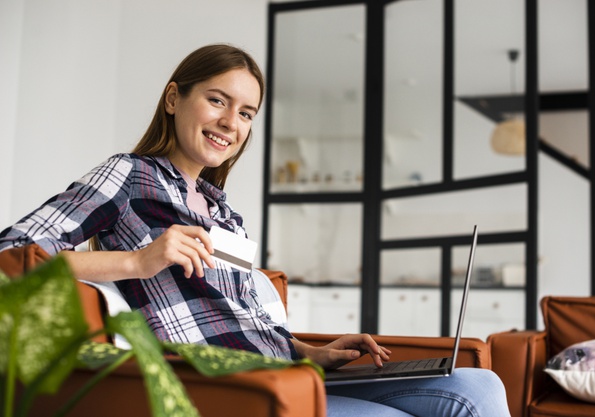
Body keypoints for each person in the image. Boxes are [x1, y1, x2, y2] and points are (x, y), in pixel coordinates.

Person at [0, 44, 510, 416]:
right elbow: (10, 257)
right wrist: (136, 261)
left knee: (481, 387)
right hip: (226, 386)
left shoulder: (226, 214)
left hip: (287, 371)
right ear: (174, 99)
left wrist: (315, 352)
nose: (231, 123)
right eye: (218, 101)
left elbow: (241, 318)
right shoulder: (129, 175)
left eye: (246, 113)